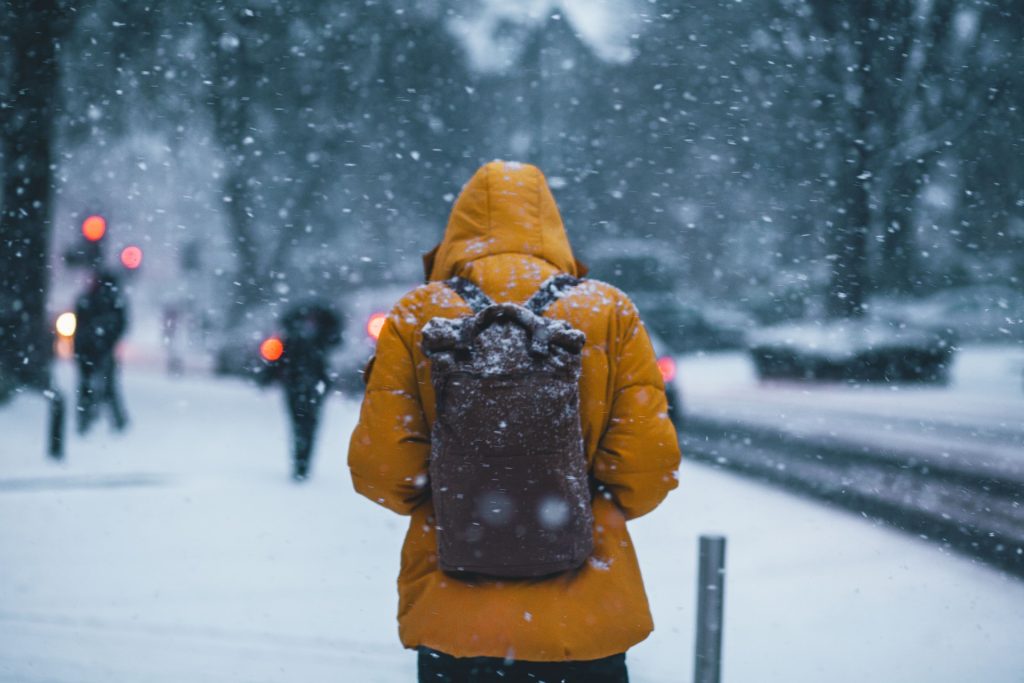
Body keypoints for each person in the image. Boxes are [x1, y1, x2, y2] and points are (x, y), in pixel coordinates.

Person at [348, 160, 681, 682]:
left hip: (454, 624)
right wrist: (572, 503)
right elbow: (648, 468)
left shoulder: (417, 315)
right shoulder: (608, 310)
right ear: (551, 226)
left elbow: (382, 471)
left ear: (458, 230)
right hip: (585, 623)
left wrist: (461, 496)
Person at [261, 302, 341, 481]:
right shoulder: (315, 337)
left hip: (302, 385)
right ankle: (301, 463)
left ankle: (301, 463)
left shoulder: (302, 336)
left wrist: (268, 376)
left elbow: (278, 359)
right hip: (305, 385)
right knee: (304, 424)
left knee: (303, 424)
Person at [74, 270, 129, 434]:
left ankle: (86, 420)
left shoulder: (88, 299)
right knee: (107, 385)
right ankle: (115, 421)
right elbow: (121, 325)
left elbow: (81, 322)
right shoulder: (113, 301)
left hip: (89, 349)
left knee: (89, 385)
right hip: (99, 349)